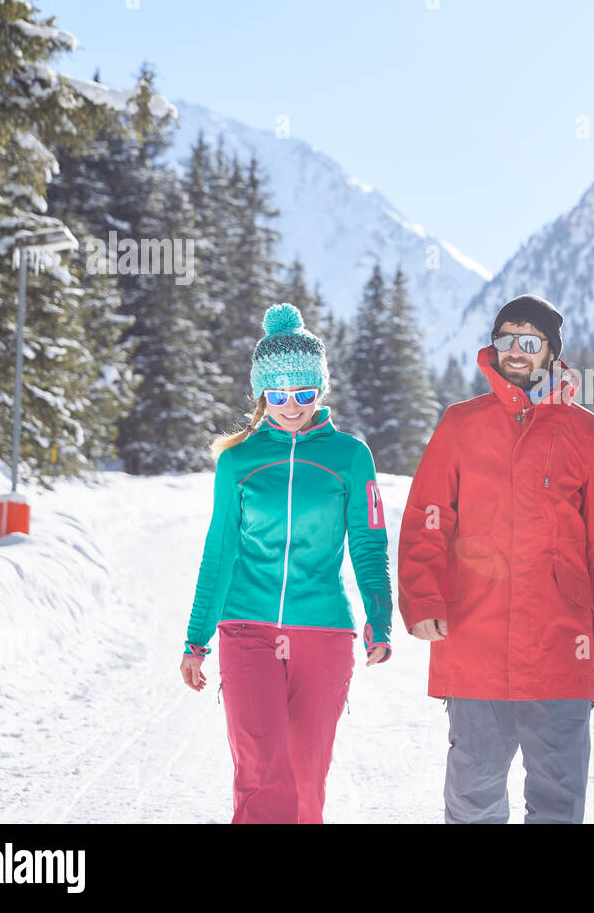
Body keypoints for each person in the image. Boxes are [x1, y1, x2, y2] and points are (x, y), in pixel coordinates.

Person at [398, 293, 594, 823]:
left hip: (561, 641)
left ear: (551, 352)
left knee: (559, 799)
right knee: (472, 797)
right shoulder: (461, 424)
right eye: (506, 337)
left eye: (529, 340)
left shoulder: (587, 432)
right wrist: (424, 597)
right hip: (476, 636)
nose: (515, 350)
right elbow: (427, 516)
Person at [179, 302, 393, 824]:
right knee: (260, 775)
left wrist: (379, 621)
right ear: (261, 394)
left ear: (319, 388)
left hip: (323, 630)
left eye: (303, 393)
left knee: (305, 782)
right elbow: (220, 552)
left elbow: (369, 543)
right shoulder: (239, 461)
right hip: (246, 627)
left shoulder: (349, 456)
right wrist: (195, 638)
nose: (292, 405)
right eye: (278, 395)